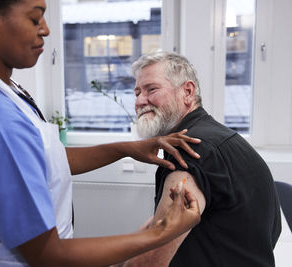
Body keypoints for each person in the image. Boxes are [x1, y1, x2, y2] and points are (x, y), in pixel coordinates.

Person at [0, 1, 202, 266]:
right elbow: (50, 255)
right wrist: (162, 232)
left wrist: (127, 149)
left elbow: (45, 160)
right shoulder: (0, 128)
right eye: (34, 18)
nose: (46, 30)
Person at [119, 51, 281, 267]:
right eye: (137, 92)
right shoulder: (222, 137)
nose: (139, 101)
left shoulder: (189, 150)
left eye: (152, 89)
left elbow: (152, 261)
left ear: (187, 91)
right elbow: (159, 225)